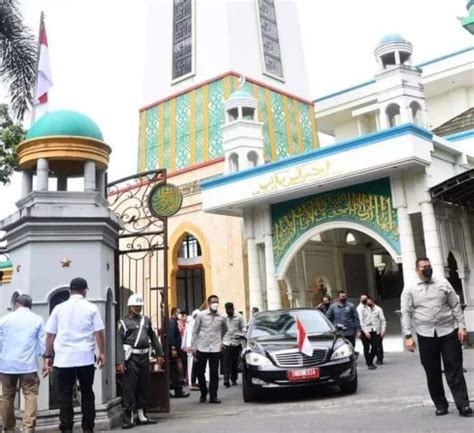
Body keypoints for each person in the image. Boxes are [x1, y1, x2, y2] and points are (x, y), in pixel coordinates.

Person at [401, 257, 472, 417]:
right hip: (425, 334)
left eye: (429, 266)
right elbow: (406, 312)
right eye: (424, 267)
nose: (428, 269)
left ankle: (463, 405)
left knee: (454, 367)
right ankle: (440, 404)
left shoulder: (443, 283)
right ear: (417, 270)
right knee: (432, 371)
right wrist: (408, 336)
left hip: (447, 331)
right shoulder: (410, 288)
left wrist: (461, 326)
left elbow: (455, 304)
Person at [44, 277, 105, 433]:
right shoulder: (91, 308)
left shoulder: (58, 308)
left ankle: (66, 428)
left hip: (64, 359)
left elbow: (50, 335)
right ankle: (88, 428)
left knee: (65, 395)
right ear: (85, 291)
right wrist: (102, 353)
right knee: (87, 392)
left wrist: (48, 357)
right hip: (85, 357)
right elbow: (99, 332)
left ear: (70, 291)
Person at [117, 294, 165, 429]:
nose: (138, 308)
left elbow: (153, 337)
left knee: (144, 385)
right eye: (135, 306)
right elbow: (118, 342)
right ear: (130, 307)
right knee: (129, 387)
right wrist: (120, 361)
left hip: (144, 357)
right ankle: (129, 416)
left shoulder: (146, 320)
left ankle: (142, 414)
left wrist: (159, 353)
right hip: (131, 358)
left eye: (140, 306)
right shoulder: (123, 323)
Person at [0, 294, 45, 433]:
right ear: (29, 306)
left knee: (7, 396)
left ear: (17, 304)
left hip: (6, 365)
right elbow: (42, 344)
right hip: (28, 365)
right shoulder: (37, 320)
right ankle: (28, 428)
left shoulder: (5, 320)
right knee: (30, 395)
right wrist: (45, 361)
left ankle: (8, 428)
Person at [192, 295, 227, 404]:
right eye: (213, 302)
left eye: (217, 302)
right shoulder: (201, 315)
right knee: (199, 371)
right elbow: (195, 331)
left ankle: (213, 395)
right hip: (202, 347)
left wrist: (221, 342)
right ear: (208, 303)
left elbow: (225, 330)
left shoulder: (221, 317)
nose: (215, 304)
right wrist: (194, 346)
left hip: (215, 348)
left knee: (214, 373)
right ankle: (203, 392)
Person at [222, 302, 245, 388]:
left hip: (236, 342)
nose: (229, 311)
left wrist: (242, 338)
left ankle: (233, 378)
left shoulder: (239, 317)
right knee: (226, 362)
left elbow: (243, 328)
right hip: (226, 342)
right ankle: (226, 379)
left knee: (234, 362)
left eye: (230, 310)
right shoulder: (224, 318)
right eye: (227, 310)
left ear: (233, 308)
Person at [168, 306, 187, 399]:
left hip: (177, 349)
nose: (180, 314)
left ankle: (178, 389)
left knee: (176, 370)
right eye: (178, 312)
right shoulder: (171, 322)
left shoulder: (175, 322)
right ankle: (177, 390)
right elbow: (171, 336)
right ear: (174, 312)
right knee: (176, 370)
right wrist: (173, 348)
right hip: (174, 350)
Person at [357, 294, 377, 370]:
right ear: (360, 299)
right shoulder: (359, 308)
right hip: (364, 330)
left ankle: (369, 360)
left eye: (366, 298)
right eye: (363, 299)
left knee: (375, 346)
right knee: (366, 347)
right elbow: (361, 321)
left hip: (371, 328)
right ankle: (369, 363)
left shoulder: (368, 307)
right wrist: (365, 332)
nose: (365, 300)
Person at [182, 309, 200, 390]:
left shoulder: (196, 323)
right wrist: (189, 346)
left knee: (196, 365)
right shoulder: (191, 324)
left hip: (197, 347)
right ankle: (191, 382)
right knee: (191, 366)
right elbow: (188, 336)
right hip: (191, 348)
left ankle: (194, 381)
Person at [368, 297, 386, 365]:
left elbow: (383, 321)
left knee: (378, 345)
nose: (368, 304)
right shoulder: (367, 309)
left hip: (377, 330)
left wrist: (383, 331)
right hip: (370, 330)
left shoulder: (378, 309)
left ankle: (380, 359)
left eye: (370, 303)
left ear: (373, 302)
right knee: (373, 345)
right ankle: (375, 358)